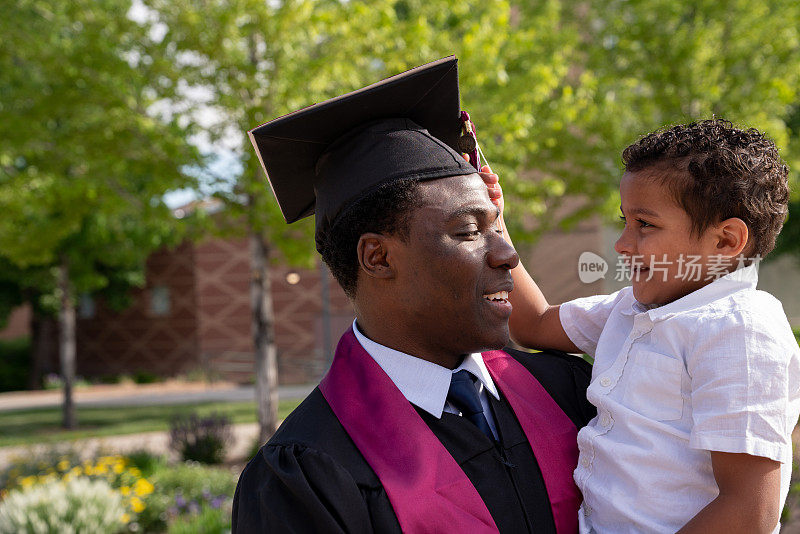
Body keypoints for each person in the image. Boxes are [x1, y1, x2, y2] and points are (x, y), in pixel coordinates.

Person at [232, 57, 596, 533]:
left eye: (498, 225)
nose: (507, 254)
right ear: (378, 258)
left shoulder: (568, 389)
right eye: (469, 230)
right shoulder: (308, 474)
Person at [486, 118, 800, 533]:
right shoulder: (634, 306)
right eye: (625, 221)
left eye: (645, 224)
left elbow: (748, 512)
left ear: (725, 242)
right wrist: (493, 221)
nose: (622, 243)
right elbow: (535, 324)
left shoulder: (739, 330)